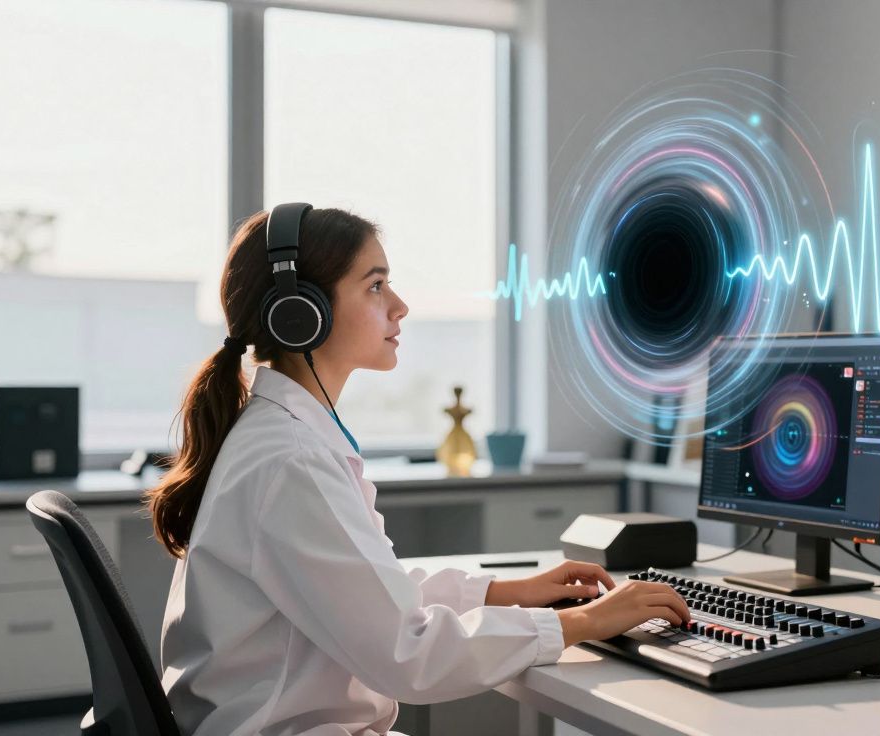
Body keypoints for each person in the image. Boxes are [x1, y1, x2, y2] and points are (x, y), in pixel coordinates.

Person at [145, 205, 690, 736]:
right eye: (376, 285)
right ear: (302, 312)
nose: (399, 306)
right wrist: (583, 622)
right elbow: (407, 655)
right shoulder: (291, 459)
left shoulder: (286, 439)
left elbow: (370, 593)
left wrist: (507, 591)